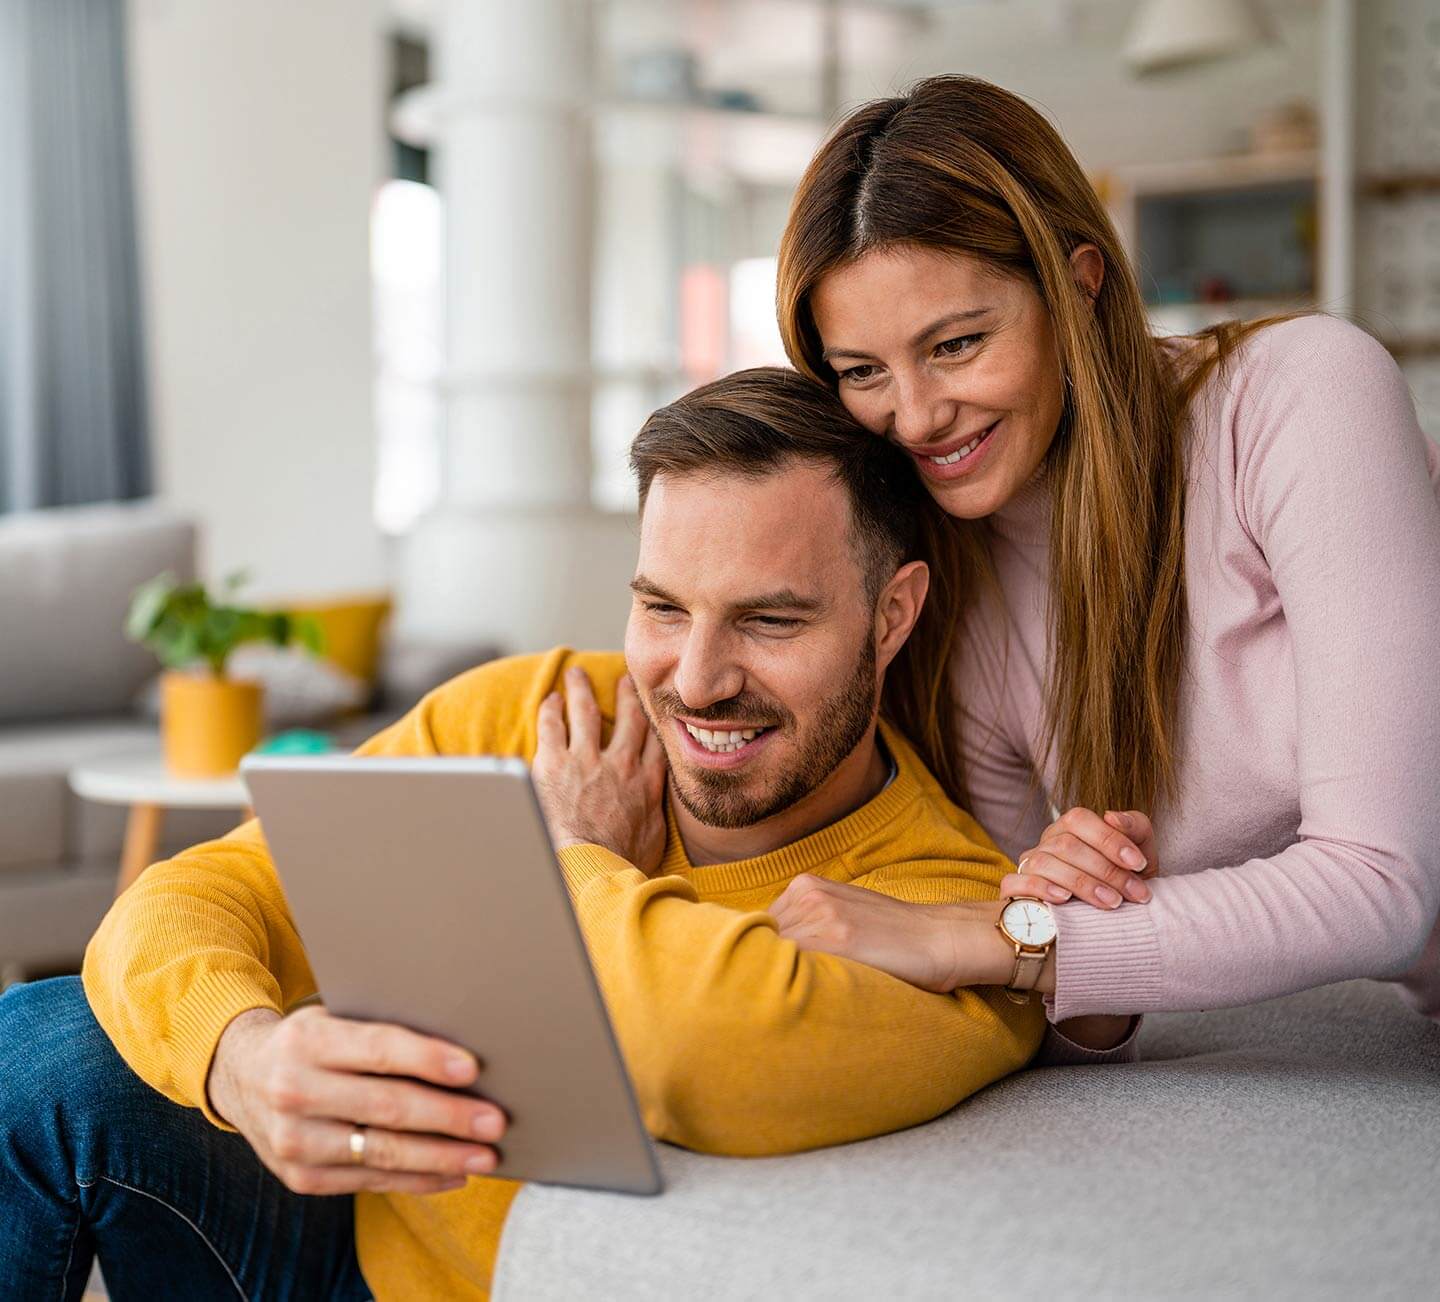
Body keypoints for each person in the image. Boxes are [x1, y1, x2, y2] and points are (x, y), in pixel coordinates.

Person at [0, 368, 1044, 1301]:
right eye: (664, 609)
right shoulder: (549, 715)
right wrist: (246, 1061)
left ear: (893, 614)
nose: (697, 681)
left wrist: (575, 857)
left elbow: (683, 1040)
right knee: (43, 1042)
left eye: (770, 622)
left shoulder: (945, 907)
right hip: (337, 1240)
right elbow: (193, 896)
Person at [763, 73, 1440, 1049]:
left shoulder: (1301, 398)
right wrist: (1056, 903)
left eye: (955, 344)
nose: (912, 416)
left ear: (1081, 283)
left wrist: (1013, 936)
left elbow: (1386, 885)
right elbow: (1077, 1013)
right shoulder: (957, 602)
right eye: (863, 372)